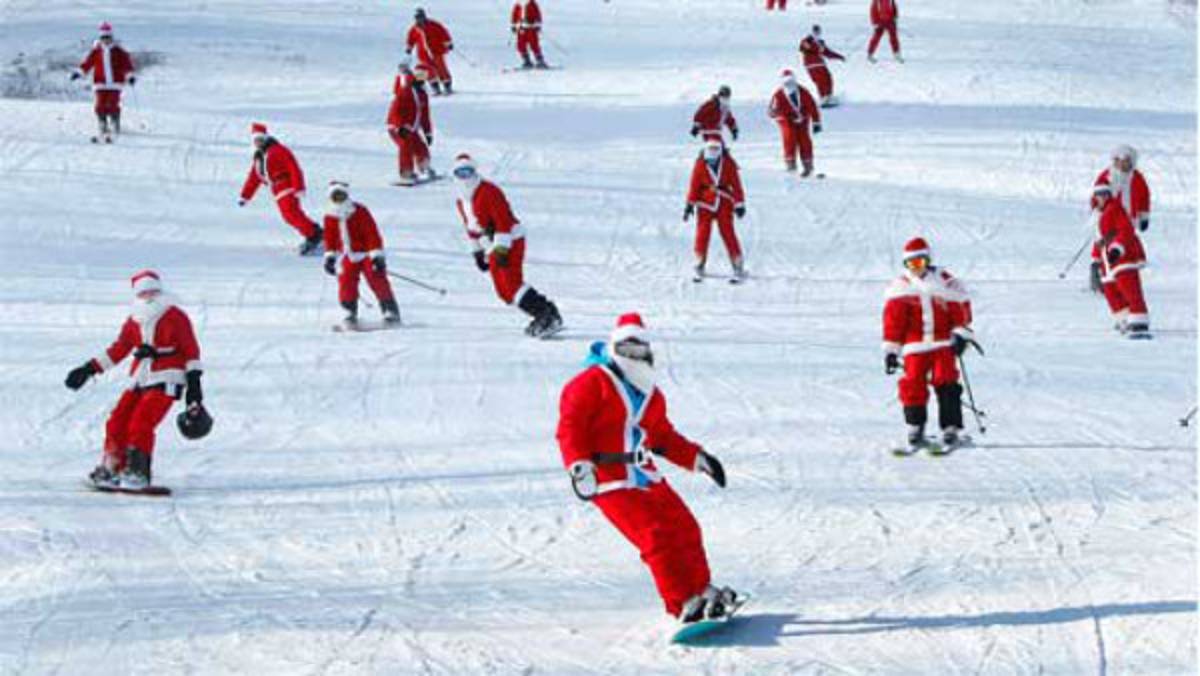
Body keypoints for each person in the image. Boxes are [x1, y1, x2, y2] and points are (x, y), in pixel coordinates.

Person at [556, 313, 737, 623]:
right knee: (655, 536)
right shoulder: (590, 383)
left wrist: (698, 458)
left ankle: (702, 590)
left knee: (685, 527)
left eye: (639, 351)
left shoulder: (650, 395)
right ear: (614, 348)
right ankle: (681, 602)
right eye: (627, 350)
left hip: (645, 475)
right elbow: (570, 428)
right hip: (608, 478)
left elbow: (663, 437)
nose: (633, 357)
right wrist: (579, 466)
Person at [64, 270, 206, 489]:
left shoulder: (175, 316)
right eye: (143, 292)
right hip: (141, 377)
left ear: (161, 291)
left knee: (141, 421)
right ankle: (113, 466)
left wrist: (194, 388)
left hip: (168, 376)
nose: (148, 296)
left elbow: (191, 351)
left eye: (153, 291)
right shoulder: (134, 320)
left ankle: (138, 472)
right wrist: (89, 369)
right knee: (117, 420)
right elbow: (120, 348)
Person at [451, 153, 563, 337]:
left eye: (468, 171)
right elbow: (470, 226)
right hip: (492, 244)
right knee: (504, 292)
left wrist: (502, 249)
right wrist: (477, 252)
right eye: (460, 173)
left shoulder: (489, 191)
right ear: (455, 175)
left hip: (510, 239)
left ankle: (546, 314)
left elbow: (503, 221)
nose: (465, 177)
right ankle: (545, 312)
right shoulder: (462, 201)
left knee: (511, 284)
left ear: (475, 171)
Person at [882, 238, 976, 453]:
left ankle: (950, 427)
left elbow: (961, 311)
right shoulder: (901, 289)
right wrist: (891, 350)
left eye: (920, 263)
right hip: (914, 345)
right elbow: (893, 323)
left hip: (943, 342)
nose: (917, 269)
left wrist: (960, 334)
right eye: (911, 265)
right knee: (912, 383)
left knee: (946, 381)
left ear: (928, 261)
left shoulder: (945, 283)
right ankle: (916, 426)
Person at [322, 182, 401, 329]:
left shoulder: (359, 211)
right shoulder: (330, 216)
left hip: (366, 253)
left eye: (342, 195)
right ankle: (348, 311)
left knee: (376, 278)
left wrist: (376, 255)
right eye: (335, 196)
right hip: (347, 255)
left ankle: (390, 309)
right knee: (346, 281)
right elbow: (330, 237)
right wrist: (330, 257)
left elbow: (372, 233)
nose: (339, 199)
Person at [238, 123, 324, 255]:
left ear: (266, 138)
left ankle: (314, 235)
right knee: (289, 216)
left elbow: (293, 167)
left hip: (287, 186)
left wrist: (298, 187)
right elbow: (254, 178)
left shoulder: (278, 150)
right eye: (255, 140)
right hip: (277, 191)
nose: (258, 142)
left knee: (291, 214)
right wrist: (245, 196)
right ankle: (314, 232)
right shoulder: (259, 157)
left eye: (260, 139)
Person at [1090, 183, 1150, 338]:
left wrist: (1117, 248)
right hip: (1107, 262)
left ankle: (1139, 323)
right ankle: (1125, 320)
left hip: (1122, 258)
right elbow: (1099, 241)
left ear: (1109, 195)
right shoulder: (1099, 215)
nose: (1101, 198)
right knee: (1111, 292)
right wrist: (1095, 261)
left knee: (1130, 290)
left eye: (1104, 194)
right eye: (1098, 194)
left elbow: (1126, 229)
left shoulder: (1115, 209)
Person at [684, 139, 746, 283]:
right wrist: (689, 205)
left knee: (728, 232)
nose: (712, 153)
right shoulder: (700, 164)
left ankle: (737, 263)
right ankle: (699, 261)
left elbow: (736, 184)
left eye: (715, 150)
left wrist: (739, 204)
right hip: (705, 203)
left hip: (724, 202)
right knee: (702, 232)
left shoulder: (728, 164)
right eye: (709, 150)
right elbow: (694, 185)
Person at [71, 21, 136, 143]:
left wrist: (130, 76)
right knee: (100, 103)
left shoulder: (119, 51)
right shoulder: (96, 51)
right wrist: (79, 73)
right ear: (100, 38)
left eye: (108, 37)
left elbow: (127, 65)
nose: (106, 40)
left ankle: (114, 122)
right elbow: (88, 63)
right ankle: (102, 123)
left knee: (112, 103)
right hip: (100, 83)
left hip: (115, 83)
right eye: (103, 38)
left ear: (112, 37)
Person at [387, 65, 435, 186]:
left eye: (425, 76)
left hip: (411, 129)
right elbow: (395, 110)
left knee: (420, 146)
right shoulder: (405, 90)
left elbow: (425, 115)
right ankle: (406, 172)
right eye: (420, 75)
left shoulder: (423, 94)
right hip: (398, 128)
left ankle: (424, 166)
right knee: (406, 146)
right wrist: (399, 126)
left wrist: (428, 132)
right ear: (415, 75)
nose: (423, 78)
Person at [768, 69, 821, 175]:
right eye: (787, 82)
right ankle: (791, 165)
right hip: (786, 120)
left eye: (791, 81)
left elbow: (812, 106)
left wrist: (816, 122)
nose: (789, 84)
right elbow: (772, 111)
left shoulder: (803, 92)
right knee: (789, 138)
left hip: (803, 119)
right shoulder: (778, 95)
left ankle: (808, 166)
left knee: (805, 140)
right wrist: (782, 116)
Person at [1094, 145, 1151, 233]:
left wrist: (1144, 217)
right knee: (1107, 240)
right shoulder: (1107, 176)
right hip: (1109, 217)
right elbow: (1096, 194)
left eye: (1125, 161)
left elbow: (1144, 197)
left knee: (1126, 241)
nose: (1121, 164)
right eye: (1118, 160)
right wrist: (1096, 208)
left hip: (1129, 217)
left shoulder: (1137, 178)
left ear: (1131, 162)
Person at [406, 7, 454, 95]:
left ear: (424, 16)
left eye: (420, 17)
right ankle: (435, 87)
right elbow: (411, 39)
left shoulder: (433, 25)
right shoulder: (414, 29)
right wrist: (409, 47)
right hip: (423, 54)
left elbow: (443, 33)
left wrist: (448, 43)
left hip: (436, 51)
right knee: (428, 70)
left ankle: (447, 85)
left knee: (441, 68)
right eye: (417, 18)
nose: (419, 19)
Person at [799, 25, 845, 107]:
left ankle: (828, 96)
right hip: (811, 64)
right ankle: (823, 97)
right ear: (812, 31)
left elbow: (827, 53)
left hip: (820, 63)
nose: (817, 33)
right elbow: (803, 48)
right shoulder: (807, 40)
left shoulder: (821, 42)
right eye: (815, 31)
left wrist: (839, 57)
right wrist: (817, 48)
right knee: (820, 81)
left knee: (828, 78)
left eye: (818, 31)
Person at [511, 0, 547, 69]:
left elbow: (537, 14)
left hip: (531, 28)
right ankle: (527, 60)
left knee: (534, 44)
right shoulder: (518, 5)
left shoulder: (532, 4)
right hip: (521, 28)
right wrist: (514, 25)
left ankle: (540, 60)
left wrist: (537, 24)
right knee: (520, 45)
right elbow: (514, 15)